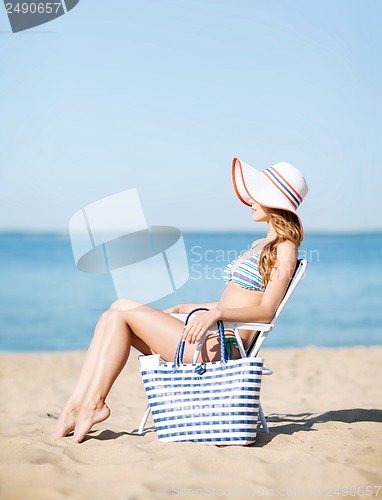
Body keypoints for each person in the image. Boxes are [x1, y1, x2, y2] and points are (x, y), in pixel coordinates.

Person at [53, 157, 308, 443]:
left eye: (257, 195)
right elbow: (239, 300)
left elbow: (265, 311)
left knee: (122, 307)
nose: (250, 201)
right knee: (110, 317)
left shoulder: (285, 249)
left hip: (223, 348)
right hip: (210, 338)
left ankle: (93, 404)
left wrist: (216, 315)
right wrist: (190, 308)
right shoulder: (258, 246)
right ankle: (76, 405)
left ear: (274, 203)